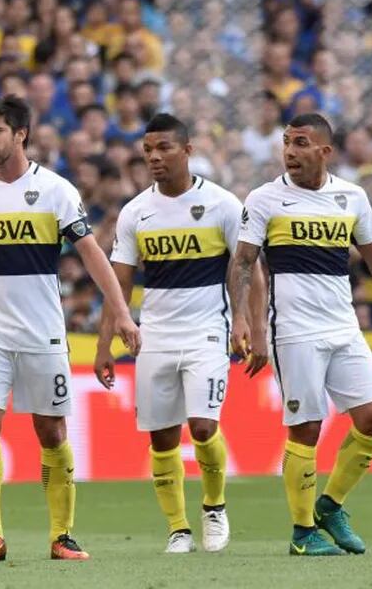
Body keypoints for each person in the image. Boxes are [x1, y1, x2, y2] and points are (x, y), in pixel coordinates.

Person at [0, 96, 140, 563]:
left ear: (20, 135)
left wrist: (122, 314)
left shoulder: (55, 191)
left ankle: (62, 535)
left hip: (43, 332)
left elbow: (93, 255)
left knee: (51, 431)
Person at [228, 113, 372, 556]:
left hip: (343, 325)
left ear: (325, 151)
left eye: (300, 143)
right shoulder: (265, 199)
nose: (289, 151)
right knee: (306, 427)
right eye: (286, 141)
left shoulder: (352, 197)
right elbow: (245, 262)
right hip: (295, 330)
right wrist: (244, 322)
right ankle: (303, 533)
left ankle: (330, 504)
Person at [95, 113, 269, 554]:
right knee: (162, 436)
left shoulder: (223, 204)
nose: (154, 157)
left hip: (207, 331)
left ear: (188, 150)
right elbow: (118, 284)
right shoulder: (136, 212)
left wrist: (250, 324)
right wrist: (105, 343)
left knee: (203, 424)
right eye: (148, 150)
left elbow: (250, 269)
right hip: (154, 334)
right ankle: (178, 528)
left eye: (164, 149)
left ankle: (213, 507)